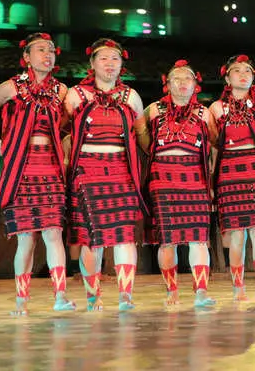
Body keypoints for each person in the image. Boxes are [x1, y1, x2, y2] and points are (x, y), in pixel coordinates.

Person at [0, 32, 75, 315]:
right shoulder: (12, 87)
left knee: (54, 233)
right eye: (41, 50)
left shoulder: (61, 91)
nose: (48, 55)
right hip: (21, 170)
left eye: (51, 51)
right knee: (27, 238)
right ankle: (22, 299)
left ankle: (60, 296)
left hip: (51, 169)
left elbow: (66, 126)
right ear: (26, 57)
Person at [64, 38, 149, 311]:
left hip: (120, 170)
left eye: (115, 58)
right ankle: (93, 296)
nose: (110, 63)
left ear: (122, 64)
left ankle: (125, 295)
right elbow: (63, 132)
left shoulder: (130, 96)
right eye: (104, 58)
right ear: (92, 63)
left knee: (124, 235)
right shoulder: (75, 94)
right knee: (92, 236)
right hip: (87, 170)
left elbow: (142, 135)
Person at [145, 59, 217, 307]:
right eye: (176, 78)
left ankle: (201, 292)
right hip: (162, 178)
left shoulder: (204, 113)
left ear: (196, 84)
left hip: (194, 178)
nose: (182, 82)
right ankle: (171, 290)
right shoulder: (154, 110)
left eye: (188, 78)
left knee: (198, 238)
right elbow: (143, 138)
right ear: (167, 84)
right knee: (168, 239)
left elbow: (214, 145)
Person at [209, 54, 255, 300]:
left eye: (248, 71)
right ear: (227, 77)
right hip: (230, 172)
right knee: (236, 232)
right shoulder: (216, 108)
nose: (243, 75)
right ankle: (238, 286)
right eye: (237, 71)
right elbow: (214, 144)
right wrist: (211, 181)